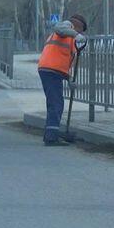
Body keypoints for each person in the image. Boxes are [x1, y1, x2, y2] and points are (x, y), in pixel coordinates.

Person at [37, 14, 87, 146]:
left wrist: (69, 79)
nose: (80, 34)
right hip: (50, 70)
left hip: (51, 70)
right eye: (81, 31)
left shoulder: (69, 38)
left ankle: (51, 133)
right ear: (78, 26)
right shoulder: (67, 26)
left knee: (55, 103)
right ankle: (51, 138)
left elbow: (61, 61)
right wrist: (76, 34)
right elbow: (59, 28)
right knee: (56, 104)